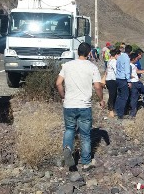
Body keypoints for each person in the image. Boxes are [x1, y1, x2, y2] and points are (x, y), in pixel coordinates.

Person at [55, 42, 105, 171]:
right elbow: (98, 86)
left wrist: (63, 97)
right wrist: (101, 99)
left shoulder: (67, 65)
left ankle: (67, 148)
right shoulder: (92, 67)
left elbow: (58, 83)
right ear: (89, 53)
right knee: (85, 134)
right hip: (84, 105)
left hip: (69, 105)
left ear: (77, 52)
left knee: (70, 129)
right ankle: (86, 162)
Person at [129, 52, 144, 117]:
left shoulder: (133, 65)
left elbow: (137, 71)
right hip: (134, 83)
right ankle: (133, 113)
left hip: (136, 82)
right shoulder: (129, 65)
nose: (137, 60)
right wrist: (130, 76)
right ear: (133, 59)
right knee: (134, 97)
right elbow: (127, 73)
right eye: (136, 58)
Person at [114, 44, 132, 119]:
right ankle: (120, 114)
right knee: (124, 97)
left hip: (117, 78)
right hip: (123, 79)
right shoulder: (127, 58)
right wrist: (129, 81)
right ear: (130, 51)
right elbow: (127, 70)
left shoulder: (119, 57)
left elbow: (117, 67)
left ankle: (116, 110)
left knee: (119, 96)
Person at [105, 48, 121, 118]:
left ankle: (111, 109)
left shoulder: (109, 61)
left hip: (108, 79)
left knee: (112, 95)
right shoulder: (114, 61)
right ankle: (111, 111)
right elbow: (116, 71)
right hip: (112, 80)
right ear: (116, 55)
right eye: (119, 55)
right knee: (113, 95)